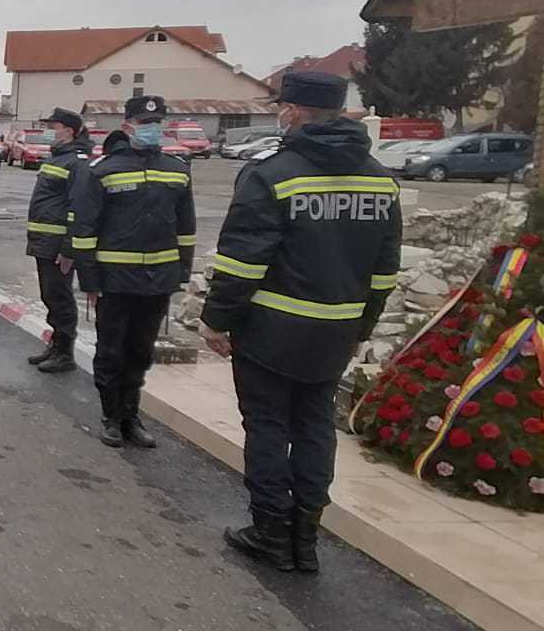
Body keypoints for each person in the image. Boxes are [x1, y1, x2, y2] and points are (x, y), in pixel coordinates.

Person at [199, 72, 401, 573]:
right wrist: (361, 328)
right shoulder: (380, 178)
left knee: (267, 426)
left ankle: (270, 533)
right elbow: (384, 271)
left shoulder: (273, 173)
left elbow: (243, 261)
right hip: (335, 334)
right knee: (315, 429)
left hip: (271, 330)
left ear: (293, 111)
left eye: (282, 106)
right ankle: (305, 539)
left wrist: (218, 320)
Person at [71, 95, 196, 449]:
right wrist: (90, 280)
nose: (151, 129)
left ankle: (131, 415)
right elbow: (85, 231)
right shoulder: (104, 170)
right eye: (144, 124)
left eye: (156, 123)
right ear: (127, 127)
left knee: (141, 353)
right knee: (111, 351)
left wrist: (181, 273)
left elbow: (186, 228)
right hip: (115, 281)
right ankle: (111, 417)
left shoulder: (177, 170)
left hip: (158, 282)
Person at [24, 108, 90, 374]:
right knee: (49, 294)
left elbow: (79, 207)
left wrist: (69, 248)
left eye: (55, 126)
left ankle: (65, 352)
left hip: (57, 243)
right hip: (43, 239)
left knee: (60, 296)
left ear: (70, 131)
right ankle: (56, 344)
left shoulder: (76, 162)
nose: (50, 131)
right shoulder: (57, 159)